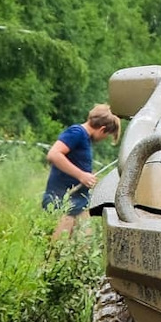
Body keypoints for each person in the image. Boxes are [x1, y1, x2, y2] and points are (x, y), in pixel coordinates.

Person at [43, 103, 121, 240]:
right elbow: (53, 154)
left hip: (79, 201)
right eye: (107, 136)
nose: (104, 140)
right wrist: (81, 175)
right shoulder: (76, 132)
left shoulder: (85, 139)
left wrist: (87, 177)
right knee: (57, 248)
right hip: (61, 199)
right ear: (102, 129)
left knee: (84, 246)